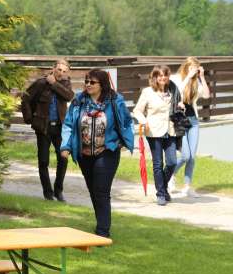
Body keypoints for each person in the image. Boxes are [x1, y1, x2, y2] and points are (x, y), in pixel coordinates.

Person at [61, 69, 134, 238]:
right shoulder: (79, 101)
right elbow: (69, 124)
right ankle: (101, 222)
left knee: (101, 190)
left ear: (102, 85)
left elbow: (127, 122)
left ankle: (102, 232)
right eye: (86, 81)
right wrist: (65, 146)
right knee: (93, 190)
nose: (88, 84)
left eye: (92, 82)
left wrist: (123, 141)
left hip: (107, 151)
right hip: (84, 153)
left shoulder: (115, 101)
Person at [21, 59, 74, 201]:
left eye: (64, 71)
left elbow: (69, 96)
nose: (61, 73)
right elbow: (25, 98)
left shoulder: (65, 83)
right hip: (43, 128)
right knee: (43, 161)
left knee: (63, 158)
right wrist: (30, 119)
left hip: (60, 128)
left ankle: (58, 191)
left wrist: (54, 84)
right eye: (59, 70)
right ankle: (48, 193)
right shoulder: (40, 83)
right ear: (53, 68)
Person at [133, 65, 182, 206]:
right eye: (160, 75)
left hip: (171, 130)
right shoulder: (148, 92)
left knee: (172, 162)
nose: (163, 78)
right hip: (153, 131)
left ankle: (163, 186)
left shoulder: (173, 91)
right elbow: (137, 111)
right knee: (158, 163)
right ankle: (161, 193)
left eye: (165, 75)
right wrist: (144, 121)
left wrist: (181, 107)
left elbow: (178, 105)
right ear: (155, 77)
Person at [170, 57, 210, 197]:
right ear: (186, 67)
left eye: (196, 68)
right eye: (192, 68)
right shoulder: (176, 78)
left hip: (193, 122)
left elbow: (206, 95)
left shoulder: (196, 81)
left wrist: (202, 77)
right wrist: (188, 76)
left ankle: (187, 187)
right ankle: (170, 175)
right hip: (180, 121)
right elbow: (176, 92)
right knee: (186, 155)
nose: (194, 71)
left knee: (192, 157)